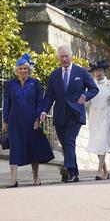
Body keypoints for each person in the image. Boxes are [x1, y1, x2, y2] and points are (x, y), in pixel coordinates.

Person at [40, 45, 99, 183]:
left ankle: (67, 167)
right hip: (60, 114)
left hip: (75, 113)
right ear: (58, 58)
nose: (64, 59)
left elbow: (94, 89)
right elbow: (49, 97)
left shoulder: (81, 72)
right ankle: (74, 173)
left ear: (71, 56)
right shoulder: (54, 75)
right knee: (66, 145)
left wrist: (85, 95)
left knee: (69, 141)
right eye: (62, 56)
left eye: (67, 56)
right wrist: (44, 111)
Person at [3, 53, 54, 187]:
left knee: (33, 149)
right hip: (14, 120)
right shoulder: (10, 84)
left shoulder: (35, 83)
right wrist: (5, 121)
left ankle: (36, 178)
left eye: (25, 68)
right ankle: (13, 180)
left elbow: (39, 102)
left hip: (31, 120)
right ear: (16, 70)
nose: (23, 71)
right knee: (14, 148)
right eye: (20, 68)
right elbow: (7, 102)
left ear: (29, 70)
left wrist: (37, 119)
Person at [86, 60, 110, 180]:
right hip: (94, 117)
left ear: (104, 71)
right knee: (97, 144)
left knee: (102, 143)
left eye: (100, 70)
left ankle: (99, 172)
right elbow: (86, 102)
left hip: (106, 116)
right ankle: (106, 171)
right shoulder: (90, 85)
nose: (98, 73)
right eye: (96, 71)